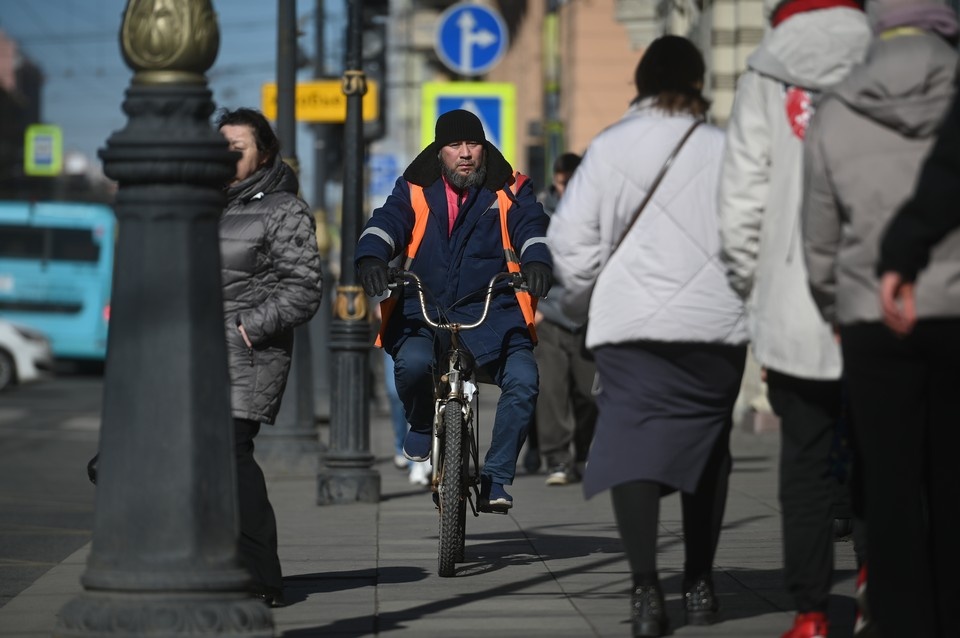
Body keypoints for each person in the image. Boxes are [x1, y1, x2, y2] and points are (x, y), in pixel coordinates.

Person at [548, 36, 748, 638]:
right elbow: (754, 233)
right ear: (698, 82)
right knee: (708, 446)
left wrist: (581, 301)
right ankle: (700, 583)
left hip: (631, 327)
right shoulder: (726, 148)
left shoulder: (608, 149)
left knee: (631, 443)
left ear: (639, 82)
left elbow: (570, 246)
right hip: (715, 330)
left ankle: (644, 594)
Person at [802, 3, 959, 635]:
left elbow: (819, 236)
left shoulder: (837, 108)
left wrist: (838, 306)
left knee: (889, 485)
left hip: (873, 315)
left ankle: (900, 621)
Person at [717, 0, 871, 634]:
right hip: (879, 294)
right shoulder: (885, 51)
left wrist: (753, 287)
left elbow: (741, 198)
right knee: (882, 454)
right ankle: (876, 583)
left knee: (804, 462)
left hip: (793, 298)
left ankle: (811, 611)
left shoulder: (766, 71)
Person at [355, 109, 553, 512]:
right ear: (439, 151)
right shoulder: (414, 187)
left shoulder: (509, 187)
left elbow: (530, 225)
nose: (465, 154)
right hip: (425, 306)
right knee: (410, 365)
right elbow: (387, 222)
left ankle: (496, 476)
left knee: (524, 379)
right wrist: (372, 258)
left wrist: (537, 262)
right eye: (454, 145)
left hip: (493, 308)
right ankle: (423, 422)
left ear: (484, 146)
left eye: (473, 144)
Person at [217, 107, 323, 607]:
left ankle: (263, 574)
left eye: (239, 147)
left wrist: (245, 329)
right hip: (198, 359)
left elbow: (303, 288)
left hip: (246, 357)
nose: (228, 155)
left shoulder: (283, 208)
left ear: (264, 153)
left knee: (231, 455)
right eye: (222, 146)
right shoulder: (206, 204)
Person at [534, 152, 598, 486]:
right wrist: (533, 306)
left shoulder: (597, 209)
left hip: (589, 315)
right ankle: (558, 458)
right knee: (552, 391)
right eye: (561, 180)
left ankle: (584, 452)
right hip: (553, 314)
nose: (567, 185)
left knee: (589, 393)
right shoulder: (541, 210)